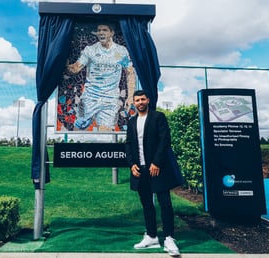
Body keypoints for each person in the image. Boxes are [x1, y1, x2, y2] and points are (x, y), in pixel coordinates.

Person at [125, 90, 180, 257]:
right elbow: (128, 145)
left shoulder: (158, 117)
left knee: (165, 203)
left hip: (158, 168)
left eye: (143, 99)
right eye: (137, 100)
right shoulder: (132, 122)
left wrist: (156, 162)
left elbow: (165, 140)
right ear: (133, 103)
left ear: (148, 100)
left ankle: (169, 238)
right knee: (147, 204)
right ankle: (151, 236)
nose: (140, 102)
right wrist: (132, 164)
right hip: (140, 170)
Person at [67, 22, 135, 132]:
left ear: (112, 33)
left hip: (110, 99)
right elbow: (76, 68)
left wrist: (130, 96)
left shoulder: (120, 51)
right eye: (99, 30)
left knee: (105, 133)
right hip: (90, 97)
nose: (101, 33)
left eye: (104, 30)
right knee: (79, 128)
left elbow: (130, 72)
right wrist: (63, 63)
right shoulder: (90, 50)